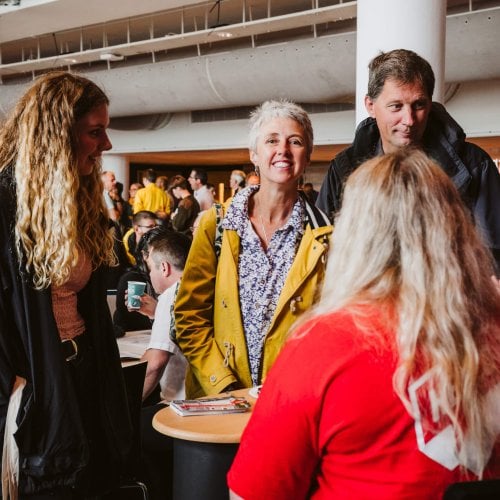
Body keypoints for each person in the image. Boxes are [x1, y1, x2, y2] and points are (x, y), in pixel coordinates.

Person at [228, 149, 500, 500]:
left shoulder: (323, 346)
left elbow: (252, 494)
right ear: (456, 228)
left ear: (354, 234)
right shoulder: (492, 329)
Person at [0, 71, 132, 498]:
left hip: (83, 374)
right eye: (95, 132)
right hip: (33, 390)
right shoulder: (5, 203)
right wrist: (19, 387)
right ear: (58, 134)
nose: (106, 146)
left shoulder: (78, 204)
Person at [175, 100, 332, 398]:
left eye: (295, 141)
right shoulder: (216, 225)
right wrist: (223, 385)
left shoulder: (325, 237)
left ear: (308, 156)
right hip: (218, 399)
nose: (283, 150)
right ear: (254, 154)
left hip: (290, 400)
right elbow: (189, 316)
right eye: (271, 140)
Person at [316, 48, 500, 273]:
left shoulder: (474, 165)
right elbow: (323, 251)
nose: (409, 120)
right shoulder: (344, 168)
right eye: (396, 106)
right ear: (370, 106)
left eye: (419, 105)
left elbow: (492, 257)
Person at [132, 229, 192, 402]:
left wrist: (127, 406)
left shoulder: (172, 295)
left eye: (151, 269)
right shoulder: (201, 287)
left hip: (180, 404)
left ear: (164, 268)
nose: (150, 275)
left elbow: (155, 364)